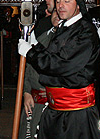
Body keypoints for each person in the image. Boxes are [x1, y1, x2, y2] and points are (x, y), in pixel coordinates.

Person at [18, 0, 100, 139]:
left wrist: (30, 52)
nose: (61, 5)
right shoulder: (65, 28)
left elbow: (60, 64)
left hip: (76, 114)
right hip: (56, 109)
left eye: (67, 0)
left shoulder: (85, 32)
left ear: (78, 4)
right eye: (57, 1)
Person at [19, 10, 60, 139]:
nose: (57, 15)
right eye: (55, 11)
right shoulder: (43, 37)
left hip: (55, 106)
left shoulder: (69, 42)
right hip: (34, 102)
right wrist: (26, 91)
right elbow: (29, 68)